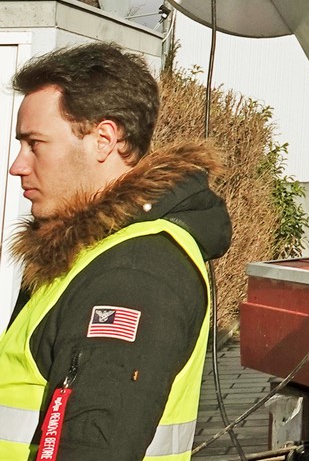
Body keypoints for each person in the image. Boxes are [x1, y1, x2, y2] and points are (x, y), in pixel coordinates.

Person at [3, 44, 231, 461]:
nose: (17, 165)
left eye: (35, 144)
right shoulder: (90, 251)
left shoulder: (134, 274)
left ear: (104, 140)